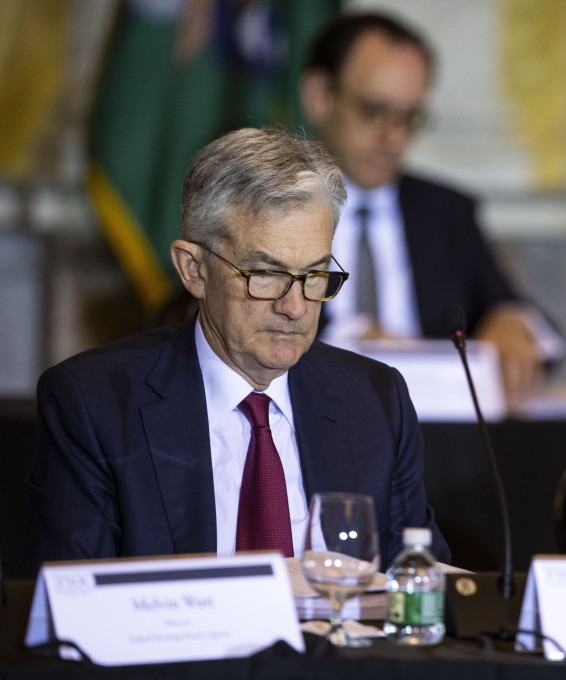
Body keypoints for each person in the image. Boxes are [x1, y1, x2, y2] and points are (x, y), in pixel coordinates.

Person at [24, 127, 449, 573]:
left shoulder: (373, 400)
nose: (294, 306)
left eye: (315, 275)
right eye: (265, 273)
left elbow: (419, 587)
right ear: (194, 270)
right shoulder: (96, 405)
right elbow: (71, 607)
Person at [299, 12, 563, 400]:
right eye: (373, 111)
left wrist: (513, 322)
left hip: (434, 439)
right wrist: (352, 341)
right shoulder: (269, 202)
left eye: (409, 117)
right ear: (320, 96)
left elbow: (530, 320)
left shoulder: (445, 213)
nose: (393, 136)